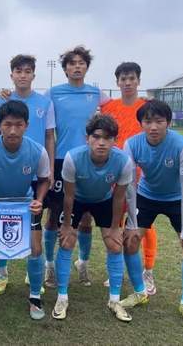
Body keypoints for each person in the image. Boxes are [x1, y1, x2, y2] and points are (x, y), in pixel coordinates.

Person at [120, 100, 183, 329]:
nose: (153, 127)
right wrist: (132, 220)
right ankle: (140, 293)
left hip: (177, 198)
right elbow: (129, 184)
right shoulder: (132, 144)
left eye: (159, 121)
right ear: (141, 123)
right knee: (130, 241)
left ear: (168, 122)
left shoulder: (181, 145)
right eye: (148, 121)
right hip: (146, 196)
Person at [52, 114, 135, 322]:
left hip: (104, 199)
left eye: (107, 138)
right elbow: (68, 196)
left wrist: (115, 228)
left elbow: (119, 197)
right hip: (77, 199)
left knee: (115, 244)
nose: (101, 142)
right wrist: (67, 225)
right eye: (96, 137)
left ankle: (114, 300)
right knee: (67, 241)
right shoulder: (73, 158)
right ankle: (62, 297)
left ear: (115, 140)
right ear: (87, 138)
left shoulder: (123, 161)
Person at [0, 100, 50, 320]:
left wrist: (39, 200)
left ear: (26, 125)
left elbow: (44, 180)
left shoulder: (38, 151)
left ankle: (35, 297)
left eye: (18, 124)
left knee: (36, 248)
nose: (13, 130)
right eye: (7, 124)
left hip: (24, 205)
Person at [0, 54, 56, 293]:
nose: (23, 75)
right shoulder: (1, 100)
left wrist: (50, 169)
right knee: (2, 220)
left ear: (33, 74)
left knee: (32, 222)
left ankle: (31, 271)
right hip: (7, 171)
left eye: (27, 71)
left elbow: (49, 136)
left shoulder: (45, 102)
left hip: (36, 170)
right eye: (18, 71)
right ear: (12, 75)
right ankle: (2, 274)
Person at [44, 45, 109, 286]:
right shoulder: (53, 93)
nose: (77, 67)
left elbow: (119, 109)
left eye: (81, 63)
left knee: (85, 218)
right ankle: (49, 266)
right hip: (61, 160)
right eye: (72, 63)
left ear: (87, 67)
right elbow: (33, 108)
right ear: (65, 69)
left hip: (90, 160)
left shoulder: (97, 94)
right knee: (54, 215)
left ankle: (83, 262)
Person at [101, 62, 158, 294]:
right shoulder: (108, 107)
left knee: (144, 224)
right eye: (123, 79)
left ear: (138, 81)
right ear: (117, 82)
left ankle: (148, 271)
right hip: (113, 174)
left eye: (131, 78)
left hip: (141, 176)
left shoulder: (147, 107)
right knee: (115, 222)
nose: (127, 83)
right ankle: (115, 270)